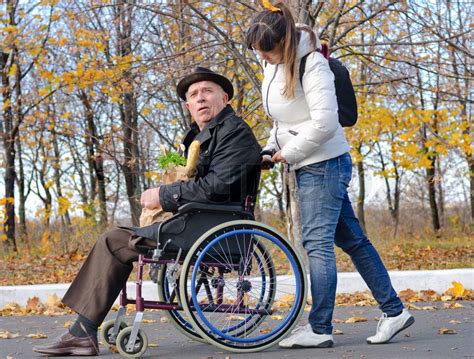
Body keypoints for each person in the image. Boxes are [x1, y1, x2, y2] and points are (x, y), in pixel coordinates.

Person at [33, 67, 262, 356]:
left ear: (225, 97)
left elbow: (216, 187)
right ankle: (82, 329)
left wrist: (163, 195)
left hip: (217, 224)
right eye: (194, 95)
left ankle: (82, 332)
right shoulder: (201, 137)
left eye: (207, 91)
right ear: (188, 106)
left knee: (115, 240)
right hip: (201, 219)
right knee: (118, 239)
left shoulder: (234, 132)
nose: (201, 98)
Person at [245, 1, 414, 349]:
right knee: (353, 241)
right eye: (258, 53)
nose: (264, 59)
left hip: (323, 163)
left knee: (317, 244)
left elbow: (325, 123)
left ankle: (319, 327)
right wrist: (269, 147)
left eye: (269, 53)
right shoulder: (274, 65)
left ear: (286, 44)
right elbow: (286, 120)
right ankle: (394, 311)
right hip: (310, 163)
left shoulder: (314, 65)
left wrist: (286, 153)